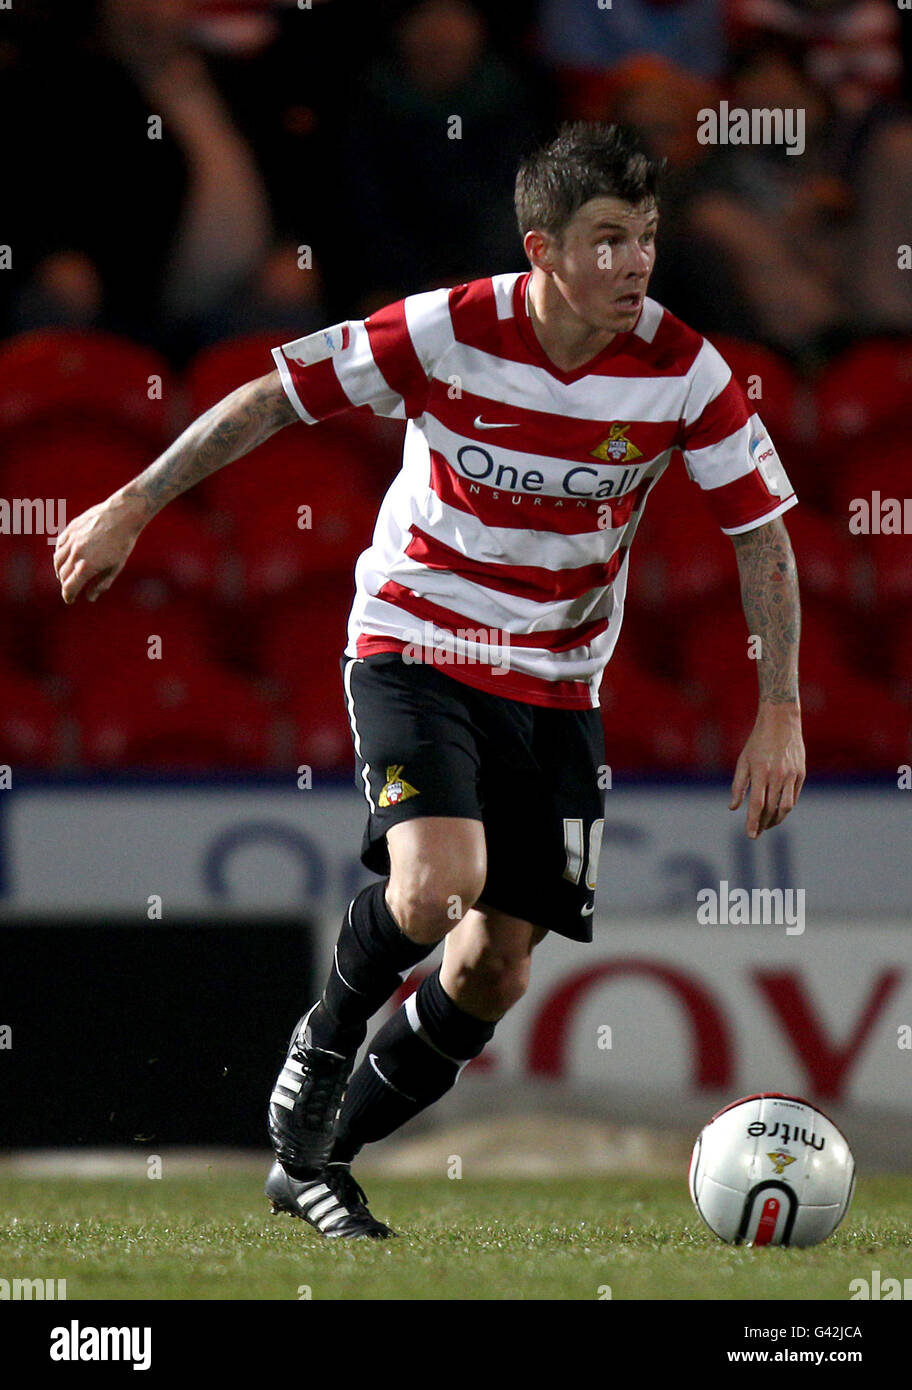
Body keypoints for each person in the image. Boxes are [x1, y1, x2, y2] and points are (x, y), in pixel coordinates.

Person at [53, 123, 806, 1240]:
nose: (636, 263)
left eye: (646, 238)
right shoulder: (450, 327)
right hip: (416, 642)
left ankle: (317, 1161)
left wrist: (780, 709)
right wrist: (133, 501)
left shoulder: (683, 367)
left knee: (495, 966)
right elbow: (274, 392)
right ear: (542, 249)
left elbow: (763, 537)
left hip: (558, 685)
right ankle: (319, 1053)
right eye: (608, 240)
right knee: (436, 884)